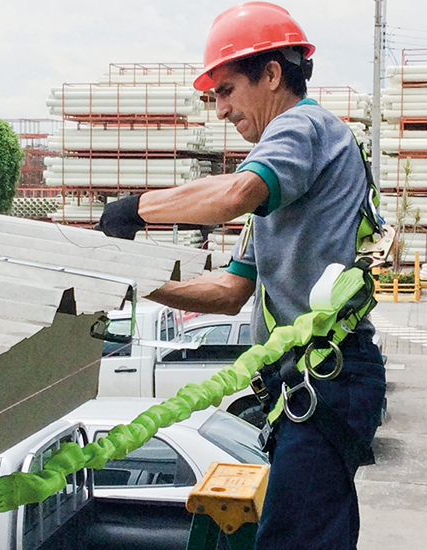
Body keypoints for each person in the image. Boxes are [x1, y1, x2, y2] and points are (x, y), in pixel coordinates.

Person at [98, 3, 386, 549]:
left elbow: (233, 195)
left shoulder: (300, 126)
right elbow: (230, 295)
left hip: (326, 378)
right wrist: (138, 281)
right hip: (311, 385)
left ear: (273, 75)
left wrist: (136, 209)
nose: (221, 110)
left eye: (226, 90)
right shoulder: (282, 192)